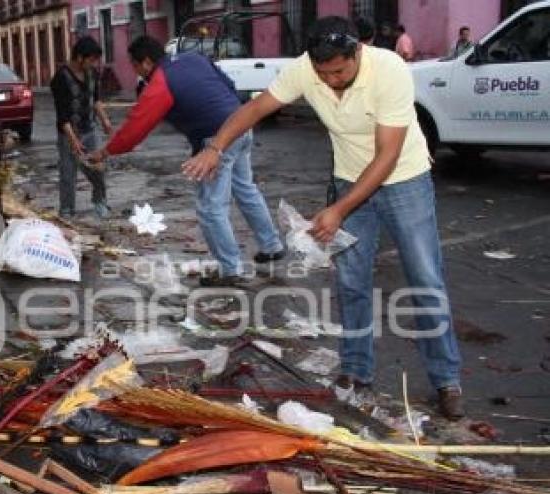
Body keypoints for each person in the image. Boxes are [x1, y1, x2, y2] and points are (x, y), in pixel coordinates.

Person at [181, 17, 464, 419]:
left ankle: (446, 380)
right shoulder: (306, 70)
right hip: (348, 179)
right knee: (351, 282)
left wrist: (339, 208)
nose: (330, 80)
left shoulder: (389, 70)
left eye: (339, 71)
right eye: (322, 73)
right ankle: (355, 372)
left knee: (424, 278)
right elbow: (257, 107)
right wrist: (216, 146)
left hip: (404, 179)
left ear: (357, 53)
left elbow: (387, 156)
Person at [89, 36, 285, 286]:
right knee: (245, 189)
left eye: (135, 65)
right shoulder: (193, 59)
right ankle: (271, 245)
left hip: (215, 140)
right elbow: (227, 84)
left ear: (147, 62)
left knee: (210, 206)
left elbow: (136, 127)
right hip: (241, 125)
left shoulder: (160, 82)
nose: (136, 72)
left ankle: (230, 268)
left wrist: (106, 151)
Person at [50, 36, 114, 219]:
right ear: (79, 57)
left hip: (90, 130)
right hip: (68, 133)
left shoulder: (92, 74)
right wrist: (73, 140)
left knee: (99, 168)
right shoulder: (61, 78)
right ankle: (67, 211)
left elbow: (96, 100)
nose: (93, 63)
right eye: (91, 59)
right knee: (68, 174)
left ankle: (100, 202)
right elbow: (62, 116)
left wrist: (105, 122)